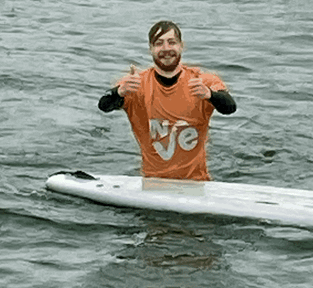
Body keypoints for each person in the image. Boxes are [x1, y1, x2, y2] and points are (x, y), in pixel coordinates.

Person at [98, 19, 236, 181]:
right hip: (152, 182)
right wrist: (119, 92)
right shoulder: (135, 85)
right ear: (150, 49)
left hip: (196, 182)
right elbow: (104, 105)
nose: (166, 49)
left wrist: (210, 95)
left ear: (181, 46)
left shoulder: (202, 82)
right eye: (159, 43)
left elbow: (230, 107)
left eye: (172, 42)